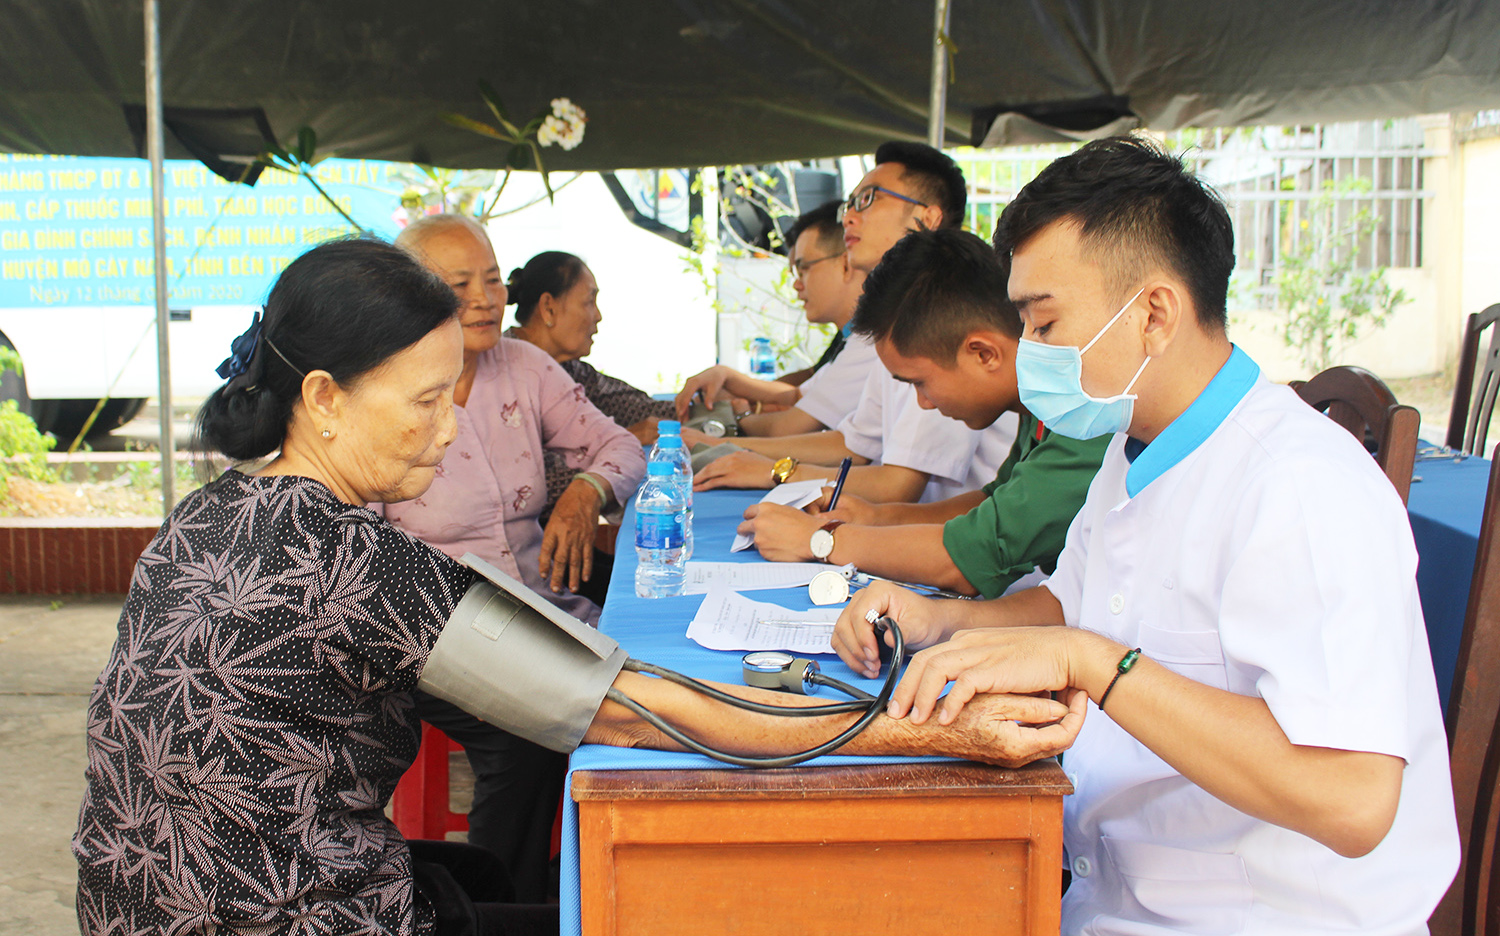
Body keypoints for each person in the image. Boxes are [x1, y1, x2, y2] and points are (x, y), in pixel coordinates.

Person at [73, 238, 1081, 936]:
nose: (446, 431)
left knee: (499, 874)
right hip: (292, 914)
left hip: (146, 910)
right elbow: (640, 713)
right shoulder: (353, 559)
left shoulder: (203, 516)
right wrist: (931, 732)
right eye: (427, 403)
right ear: (324, 401)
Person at [834, 136, 1459, 934]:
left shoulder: (1299, 485)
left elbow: (1353, 798)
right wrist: (940, 620)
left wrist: (1097, 665)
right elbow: (1073, 606)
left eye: (1046, 321)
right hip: (1112, 890)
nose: (1032, 355)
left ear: (1155, 313)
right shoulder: (1133, 452)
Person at [390, 216, 643, 900]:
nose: (484, 298)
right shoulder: (384, 390)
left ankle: (613, 886)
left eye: (494, 279)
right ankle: (505, 907)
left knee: (646, 681)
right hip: (429, 628)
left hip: (540, 608)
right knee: (530, 733)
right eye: (459, 284)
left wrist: (586, 490)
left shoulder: (526, 368)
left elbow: (623, 447)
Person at [739, 228, 1108, 599]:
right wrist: (874, 518)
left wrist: (822, 540)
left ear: (984, 354)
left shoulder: (1082, 416)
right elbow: (992, 503)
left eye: (919, 382)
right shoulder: (1039, 407)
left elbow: (971, 557)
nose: (924, 403)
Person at [694, 142, 1017, 504]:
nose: (847, 217)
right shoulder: (891, 319)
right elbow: (854, 443)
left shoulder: (943, 313)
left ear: (926, 219)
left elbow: (900, 486)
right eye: (849, 205)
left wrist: (777, 471)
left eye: (868, 200)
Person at [674, 200, 879, 437]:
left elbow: (787, 426)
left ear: (846, 262)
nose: (797, 284)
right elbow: (796, 395)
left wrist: (740, 415)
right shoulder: (853, 338)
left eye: (804, 269)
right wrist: (726, 376)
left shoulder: (869, 342)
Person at [506, 249, 675, 452]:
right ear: (548, 308)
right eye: (589, 302)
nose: (598, 316)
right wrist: (621, 441)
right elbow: (535, 471)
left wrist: (705, 396)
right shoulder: (501, 376)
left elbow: (645, 412)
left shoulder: (572, 372)